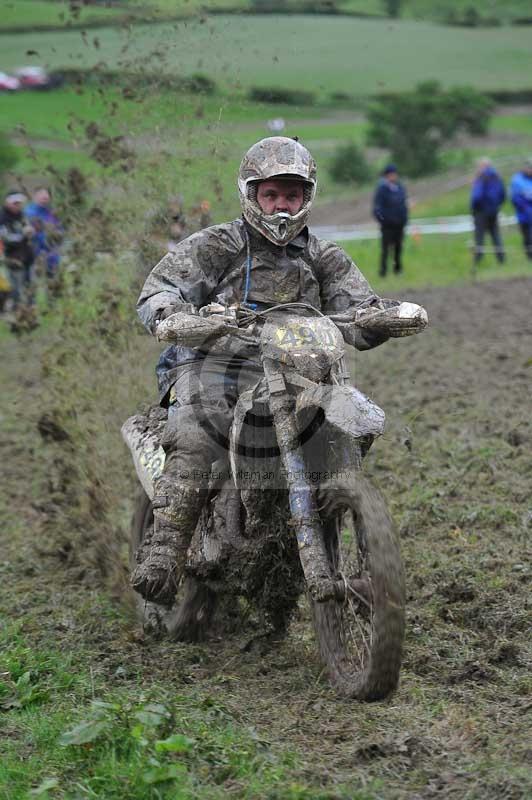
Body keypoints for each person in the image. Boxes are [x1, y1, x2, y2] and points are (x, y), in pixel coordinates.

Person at [132, 137, 412, 605]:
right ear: (252, 195)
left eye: (292, 195)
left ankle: (338, 503)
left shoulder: (324, 257)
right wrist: (174, 314)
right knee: (199, 433)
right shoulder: (217, 245)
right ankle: (164, 552)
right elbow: (161, 289)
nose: (282, 205)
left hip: (301, 372)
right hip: (218, 366)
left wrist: (381, 316)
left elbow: (359, 306)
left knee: (353, 418)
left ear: (307, 197)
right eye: (271, 195)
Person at [0, 190, 35, 312]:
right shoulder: (2, 217)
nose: (17, 205)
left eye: (19, 203)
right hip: (12, 258)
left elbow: (29, 229)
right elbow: (5, 238)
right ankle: (16, 310)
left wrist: (30, 231)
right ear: (7, 203)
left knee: (30, 284)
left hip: (27, 256)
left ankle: (30, 309)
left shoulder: (22, 214)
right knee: (14, 288)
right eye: (15, 203)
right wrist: (23, 235)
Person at [25, 186, 64, 296]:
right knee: (32, 285)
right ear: (34, 196)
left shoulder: (52, 213)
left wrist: (59, 236)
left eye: (46, 196)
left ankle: (52, 308)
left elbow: (60, 230)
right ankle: (30, 308)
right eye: (41, 195)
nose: (44, 197)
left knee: (53, 284)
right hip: (35, 254)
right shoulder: (28, 212)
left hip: (52, 255)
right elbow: (31, 232)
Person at [373, 164, 408, 277]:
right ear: (387, 175)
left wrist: (404, 219)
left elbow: (404, 205)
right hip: (387, 225)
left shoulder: (400, 188)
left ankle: (398, 269)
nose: (393, 176)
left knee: (398, 248)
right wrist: (383, 220)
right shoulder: (382, 189)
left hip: (399, 224)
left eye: (394, 174)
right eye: (391, 174)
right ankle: (383, 271)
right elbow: (377, 208)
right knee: (385, 249)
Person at [470, 157, 506, 265]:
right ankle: (501, 259)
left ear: (482, 166)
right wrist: (496, 205)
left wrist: (474, 207)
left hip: (481, 211)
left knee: (479, 236)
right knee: (495, 234)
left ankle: (477, 260)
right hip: (494, 211)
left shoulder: (481, 177)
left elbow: (477, 196)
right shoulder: (497, 177)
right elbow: (503, 195)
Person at [510, 157, 532, 260]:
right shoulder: (517, 180)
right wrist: (526, 209)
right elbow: (516, 197)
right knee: (527, 236)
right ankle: (529, 257)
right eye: (529, 167)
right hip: (524, 214)